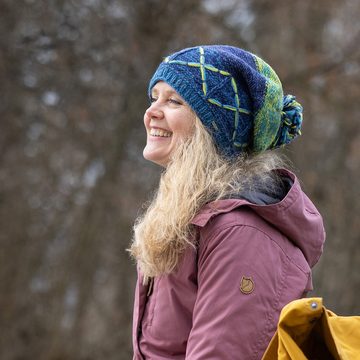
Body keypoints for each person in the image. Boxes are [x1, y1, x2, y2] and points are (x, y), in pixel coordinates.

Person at [129, 45, 325, 359]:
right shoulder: (191, 216)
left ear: (215, 128)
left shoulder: (242, 233)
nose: (151, 111)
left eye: (174, 101)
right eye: (155, 97)